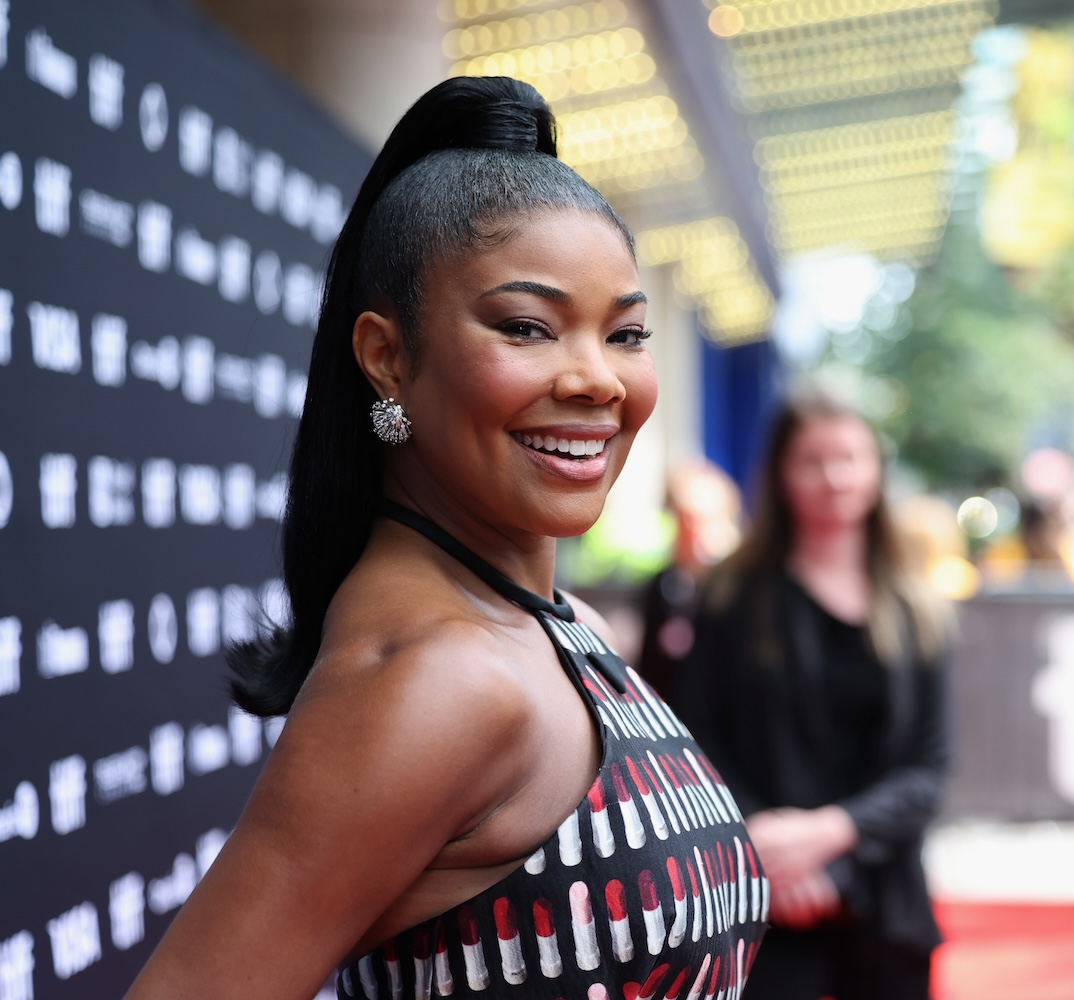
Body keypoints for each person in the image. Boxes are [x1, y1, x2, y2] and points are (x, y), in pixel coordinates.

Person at [125, 77, 765, 999]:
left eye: (626, 333)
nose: (596, 380)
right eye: (526, 327)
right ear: (387, 357)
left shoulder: (553, 623)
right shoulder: (438, 678)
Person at [677, 394, 953, 1000]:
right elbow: (696, 742)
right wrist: (769, 848)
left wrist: (829, 834)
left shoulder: (917, 610)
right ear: (779, 474)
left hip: (886, 901)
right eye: (813, 460)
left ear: (877, 468)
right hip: (763, 896)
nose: (835, 478)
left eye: (851, 457)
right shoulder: (732, 596)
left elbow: (928, 773)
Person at [636, 460, 743, 708]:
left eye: (701, 520)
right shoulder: (664, 586)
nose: (691, 532)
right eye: (683, 519)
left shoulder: (741, 587)